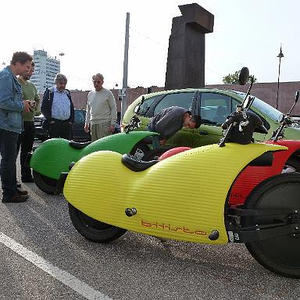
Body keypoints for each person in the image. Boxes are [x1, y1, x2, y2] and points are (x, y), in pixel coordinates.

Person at [0, 51, 33, 203]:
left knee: (10, 159)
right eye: (26, 66)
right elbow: (3, 102)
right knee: (8, 160)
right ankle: (8, 194)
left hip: (11, 125)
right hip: (6, 126)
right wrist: (22, 105)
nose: (28, 70)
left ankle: (12, 189)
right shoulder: (6, 77)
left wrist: (24, 104)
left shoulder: (10, 77)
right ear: (17, 63)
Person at [17, 61, 40, 182]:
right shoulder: (16, 83)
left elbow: (37, 99)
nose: (31, 73)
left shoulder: (32, 86)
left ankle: (26, 175)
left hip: (30, 122)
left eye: (32, 71)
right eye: (29, 70)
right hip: (18, 122)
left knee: (27, 150)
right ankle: (11, 179)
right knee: (14, 152)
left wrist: (36, 109)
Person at [84, 73, 117, 141]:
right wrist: (86, 123)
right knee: (94, 148)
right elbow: (88, 110)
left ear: (102, 82)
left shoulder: (108, 93)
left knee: (104, 147)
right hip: (93, 124)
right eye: (94, 82)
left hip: (105, 124)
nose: (96, 84)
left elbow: (113, 108)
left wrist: (112, 124)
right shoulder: (90, 94)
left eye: (98, 82)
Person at [41, 73, 74, 139]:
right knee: (54, 145)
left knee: (66, 145)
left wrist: (71, 121)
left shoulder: (67, 93)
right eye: (61, 83)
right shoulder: (50, 92)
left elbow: (71, 107)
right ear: (56, 83)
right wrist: (50, 120)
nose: (63, 85)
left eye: (64, 84)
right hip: (54, 124)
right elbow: (44, 108)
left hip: (66, 124)